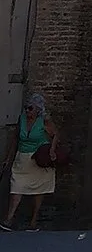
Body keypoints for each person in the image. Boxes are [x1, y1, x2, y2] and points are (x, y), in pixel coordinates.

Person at [6, 91, 57, 230]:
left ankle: (33, 220)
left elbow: (56, 135)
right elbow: (16, 137)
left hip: (38, 160)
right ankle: (9, 219)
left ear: (38, 109)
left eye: (30, 108)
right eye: (26, 108)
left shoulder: (44, 121)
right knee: (16, 187)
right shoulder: (21, 119)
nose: (27, 111)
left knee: (38, 190)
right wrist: (10, 156)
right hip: (22, 159)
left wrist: (51, 150)